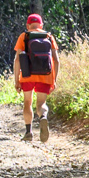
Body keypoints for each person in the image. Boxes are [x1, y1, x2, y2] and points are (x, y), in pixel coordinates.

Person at [15, 13, 58, 143]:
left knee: (27, 102)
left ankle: (28, 132)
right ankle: (43, 116)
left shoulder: (24, 36)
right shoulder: (48, 36)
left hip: (27, 74)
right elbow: (56, 60)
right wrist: (54, 80)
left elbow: (18, 60)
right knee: (41, 103)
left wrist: (17, 80)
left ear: (28, 25)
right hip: (46, 75)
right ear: (41, 25)